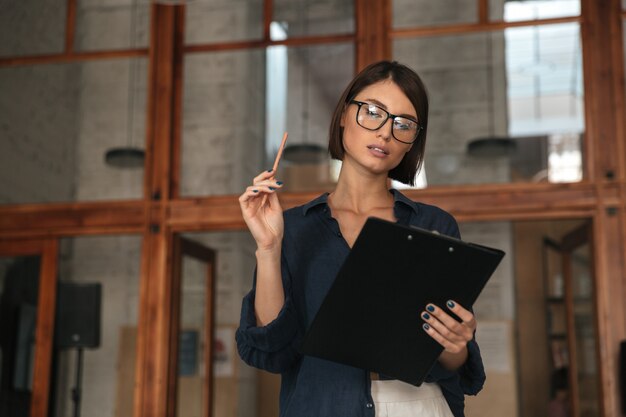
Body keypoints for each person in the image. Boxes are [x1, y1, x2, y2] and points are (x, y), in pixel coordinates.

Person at [236, 60, 485, 417]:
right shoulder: (293, 228)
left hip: (417, 406)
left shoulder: (433, 225)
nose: (385, 132)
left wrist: (458, 343)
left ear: (412, 140)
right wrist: (268, 247)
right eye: (372, 112)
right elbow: (274, 351)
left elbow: (452, 362)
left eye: (403, 124)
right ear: (342, 115)